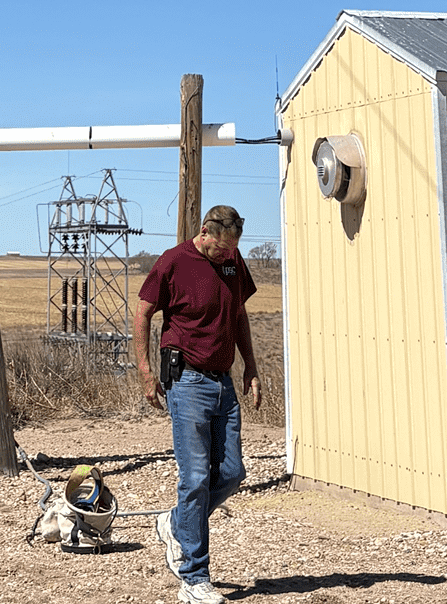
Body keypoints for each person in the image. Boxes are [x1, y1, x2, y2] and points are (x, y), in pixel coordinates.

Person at [133, 204, 261, 604]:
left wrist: (250, 367)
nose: (228, 256)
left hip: (223, 382)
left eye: (232, 251)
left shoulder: (233, 260)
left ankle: (175, 523)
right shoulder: (173, 262)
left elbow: (238, 314)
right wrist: (145, 372)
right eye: (222, 250)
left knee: (232, 472)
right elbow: (143, 314)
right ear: (205, 232)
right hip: (186, 381)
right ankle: (194, 577)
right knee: (195, 479)